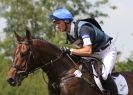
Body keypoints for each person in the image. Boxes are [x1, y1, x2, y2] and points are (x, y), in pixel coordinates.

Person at [49, 8, 118, 95]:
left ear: (66, 21)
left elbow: (88, 51)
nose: (56, 26)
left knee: (104, 76)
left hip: (106, 52)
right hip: (94, 53)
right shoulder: (70, 33)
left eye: (58, 23)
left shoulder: (84, 29)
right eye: (55, 23)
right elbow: (81, 50)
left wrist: (70, 50)